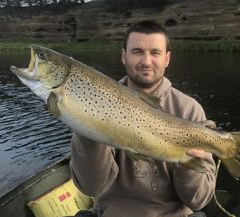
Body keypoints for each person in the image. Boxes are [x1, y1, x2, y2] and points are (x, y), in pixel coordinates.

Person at [70, 21, 216, 217]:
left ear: (167, 58)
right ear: (124, 56)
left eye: (155, 53)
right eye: (137, 51)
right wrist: (87, 131)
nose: (146, 61)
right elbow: (91, 188)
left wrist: (187, 166)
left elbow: (198, 201)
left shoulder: (190, 110)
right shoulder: (99, 102)